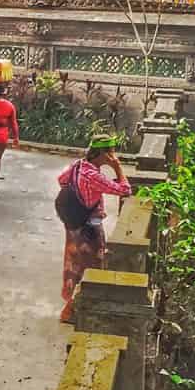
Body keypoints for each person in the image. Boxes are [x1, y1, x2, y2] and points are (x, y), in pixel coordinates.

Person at [57, 135, 132, 324]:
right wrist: (118, 168)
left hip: (73, 224)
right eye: (111, 152)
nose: (114, 156)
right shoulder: (94, 176)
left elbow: (61, 179)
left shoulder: (78, 165)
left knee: (74, 265)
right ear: (104, 154)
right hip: (89, 227)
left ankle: (70, 307)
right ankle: (70, 310)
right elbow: (125, 190)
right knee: (93, 267)